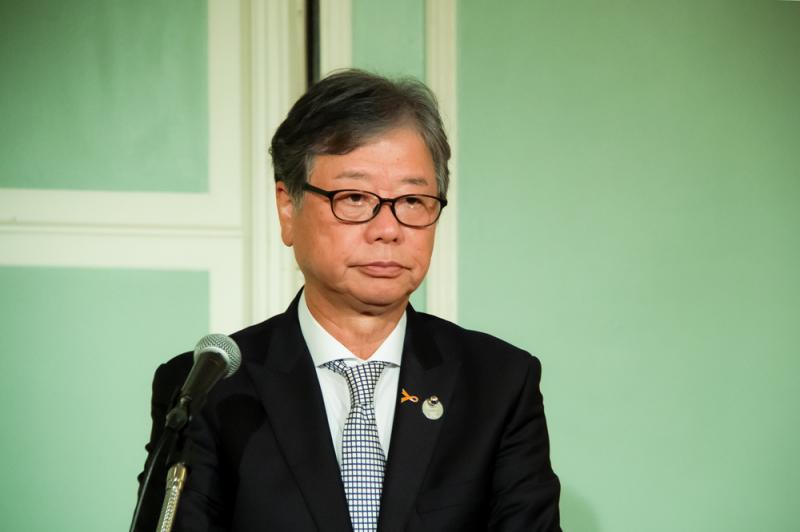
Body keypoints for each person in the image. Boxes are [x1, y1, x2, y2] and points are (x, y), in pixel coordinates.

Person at [136, 69, 561, 531]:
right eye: (355, 197)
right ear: (288, 207)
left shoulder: (498, 385)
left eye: (413, 201)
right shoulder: (210, 390)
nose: (388, 229)